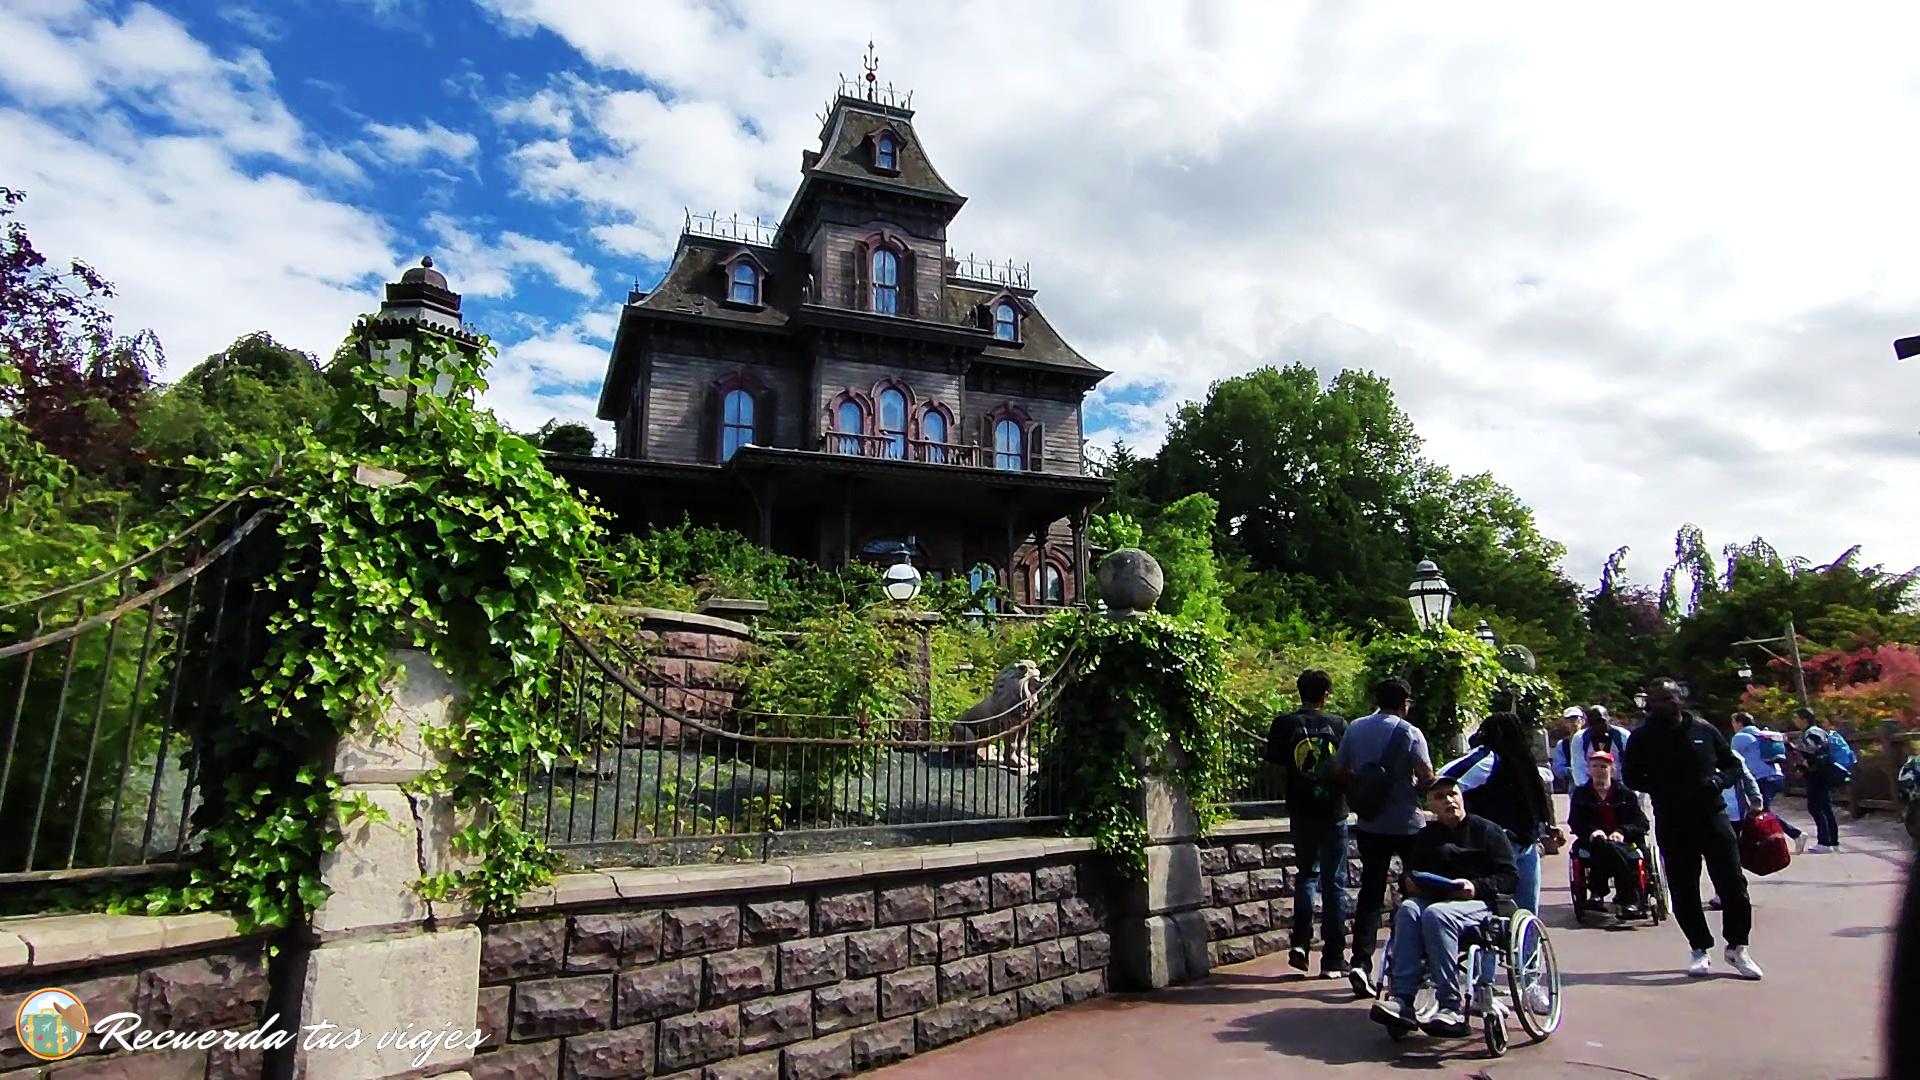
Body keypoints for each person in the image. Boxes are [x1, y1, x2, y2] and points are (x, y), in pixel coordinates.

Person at [1622, 678, 1764, 979]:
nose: (1662, 705)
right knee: (1683, 887)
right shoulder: (1642, 737)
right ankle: (1699, 947)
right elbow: (1631, 776)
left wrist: (1717, 782)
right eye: (1656, 700)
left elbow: (1732, 765)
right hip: (1673, 820)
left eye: (1668, 699)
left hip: (1712, 815)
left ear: (1679, 700)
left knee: (1733, 883)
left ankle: (1738, 947)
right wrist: (1661, 787)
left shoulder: (1703, 730)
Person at [1369, 776, 1518, 1038]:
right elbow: (1411, 874)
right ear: (1431, 806)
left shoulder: (1488, 831)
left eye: (1453, 794)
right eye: (1440, 797)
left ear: (1462, 798)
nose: (1449, 800)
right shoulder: (1426, 838)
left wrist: (1475, 886)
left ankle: (1451, 1005)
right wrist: (1409, 884)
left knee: (1436, 915)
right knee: (1408, 910)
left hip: (1478, 904)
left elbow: (1509, 878)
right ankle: (1402, 999)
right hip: (1435, 898)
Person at [1333, 676, 1436, 999]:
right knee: (1418, 890)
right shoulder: (1410, 733)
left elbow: (1339, 770)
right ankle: (1414, 960)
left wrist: (1364, 785)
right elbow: (1427, 776)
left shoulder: (1356, 728)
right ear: (1404, 703)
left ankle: (1361, 962)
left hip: (1371, 823)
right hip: (1407, 824)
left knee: (1371, 892)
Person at [1263, 668, 1349, 977]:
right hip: (1333, 811)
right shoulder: (1338, 725)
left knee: (1306, 876)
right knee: (1335, 884)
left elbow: (1275, 769)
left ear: (1299, 691)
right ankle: (1333, 958)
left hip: (1301, 811)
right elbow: (1345, 768)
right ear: (1326, 694)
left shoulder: (1283, 724)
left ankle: (1299, 944)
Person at [1568, 749, 1651, 915]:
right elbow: (1575, 821)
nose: (1599, 770)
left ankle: (1598, 892)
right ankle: (1627, 898)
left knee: (1611, 848)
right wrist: (1593, 831)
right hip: (1593, 840)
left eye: (1603, 766)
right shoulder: (1581, 794)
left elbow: (1642, 823)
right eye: (1595, 766)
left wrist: (1621, 831)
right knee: (1603, 845)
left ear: (1612, 769)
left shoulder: (1626, 794)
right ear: (1589, 769)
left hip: (1625, 842)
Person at [1729, 711, 1806, 854]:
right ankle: (1762, 842)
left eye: (1733, 722)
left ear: (1739, 723)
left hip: (1760, 777)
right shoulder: (1765, 734)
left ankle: (1792, 835)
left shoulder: (1740, 737)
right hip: (1775, 775)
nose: (1733, 726)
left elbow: (1731, 758)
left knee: (1760, 810)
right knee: (1761, 810)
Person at [1792, 706, 1851, 852]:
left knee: (1816, 807)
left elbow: (1816, 754)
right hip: (1822, 773)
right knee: (1825, 807)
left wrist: (1805, 766)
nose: (1794, 721)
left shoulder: (1811, 733)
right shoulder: (1817, 732)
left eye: (1796, 717)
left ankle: (1824, 842)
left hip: (1817, 774)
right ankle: (1832, 841)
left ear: (1804, 719)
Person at [1565, 705, 1635, 790]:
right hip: (1590, 783)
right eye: (1593, 722)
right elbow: (1578, 767)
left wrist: (1624, 788)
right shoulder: (1579, 738)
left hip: (1620, 782)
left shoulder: (1623, 736)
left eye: (1601, 721)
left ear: (1608, 719)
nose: (1598, 725)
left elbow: (1631, 764)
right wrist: (1586, 789)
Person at [1549, 706, 1583, 793]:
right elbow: (1558, 769)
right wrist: (1571, 771)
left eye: (1577, 719)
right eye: (1570, 720)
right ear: (1565, 723)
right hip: (1574, 786)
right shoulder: (1563, 744)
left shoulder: (1590, 739)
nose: (1574, 723)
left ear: (1582, 721)